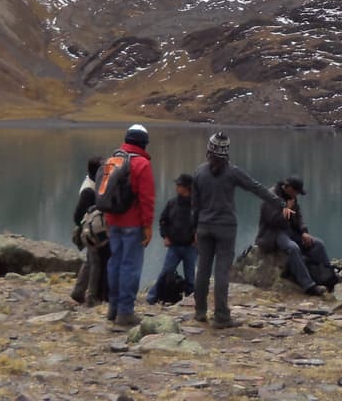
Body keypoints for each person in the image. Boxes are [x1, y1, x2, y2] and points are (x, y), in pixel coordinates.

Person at [190, 131, 280, 328]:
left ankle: (200, 311)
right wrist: (279, 203)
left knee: (203, 269)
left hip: (204, 226)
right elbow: (255, 187)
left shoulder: (199, 172)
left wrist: (194, 228)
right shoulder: (232, 172)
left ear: (208, 150)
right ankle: (221, 316)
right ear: (226, 153)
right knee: (222, 271)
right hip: (226, 228)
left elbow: (195, 206)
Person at [104, 123, 155, 328]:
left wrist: (108, 219)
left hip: (113, 222)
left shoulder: (113, 160)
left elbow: (105, 193)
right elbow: (147, 199)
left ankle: (113, 308)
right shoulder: (142, 164)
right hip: (133, 224)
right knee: (130, 267)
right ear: (144, 143)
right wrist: (148, 226)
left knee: (114, 264)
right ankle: (125, 312)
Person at [256, 175, 333, 295]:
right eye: (296, 192)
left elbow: (298, 217)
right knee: (293, 248)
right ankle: (309, 285)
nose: (296, 195)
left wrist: (304, 232)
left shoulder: (291, 197)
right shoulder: (271, 196)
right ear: (289, 188)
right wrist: (287, 209)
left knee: (318, 244)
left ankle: (328, 277)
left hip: (289, 230)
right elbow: (271, 220)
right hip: (273, 233)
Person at [146, 173, 197, 304]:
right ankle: (151, 297)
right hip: (174, 246)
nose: (177, 187)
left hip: (191, 247)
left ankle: (192, 300)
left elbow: (202, 223)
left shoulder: (196, 205)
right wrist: (165, 236)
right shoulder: (172, 203)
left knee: (190, 277)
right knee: (165, 272)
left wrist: (197, 237)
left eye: (179, 185)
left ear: (187, 187)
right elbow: (163, 221)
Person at [71, 156, 109, 306]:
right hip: (91, 231)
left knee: (90, 262)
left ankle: (78, 292)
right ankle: (92, 297)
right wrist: (86, 225)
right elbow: (77, 215)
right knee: (96, 263)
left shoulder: (93, 184)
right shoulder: (88, 190)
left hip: (92, 230)